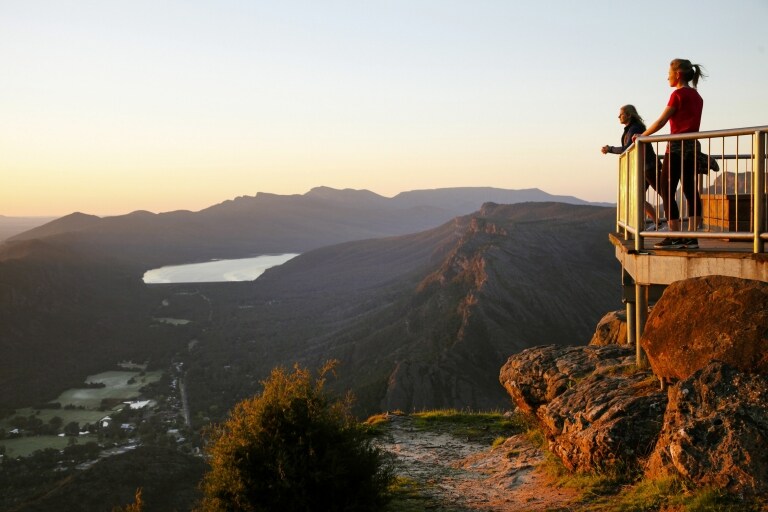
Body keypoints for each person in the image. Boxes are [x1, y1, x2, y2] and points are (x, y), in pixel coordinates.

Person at [634, 58, 707, 249]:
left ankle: (673, 235)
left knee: (667, 190)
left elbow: (661, 121)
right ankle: (692, 237)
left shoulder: (678, 95)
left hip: (675, 147)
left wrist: (642, 136)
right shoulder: (697, 96)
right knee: (690, 190)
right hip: (692, 146)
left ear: (678, 74)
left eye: (668, 73)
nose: (667, 77)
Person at [601, 104, 661, 227]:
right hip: (645, 167)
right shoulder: (632, 128)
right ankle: (658, 223)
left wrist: (609, 149)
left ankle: (667, 225)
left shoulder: (634, 128)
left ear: (628, 115)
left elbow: (626, 148)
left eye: (621, 114)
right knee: (637, 196)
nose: (618, 116)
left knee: (664, 193)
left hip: (648, 166)